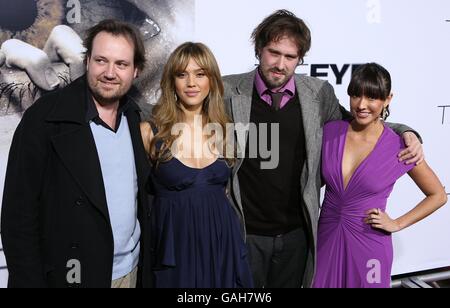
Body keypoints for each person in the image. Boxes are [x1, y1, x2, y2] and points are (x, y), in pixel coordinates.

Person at [222, 10, 424, 288]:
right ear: (259, 50)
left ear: (300, 59)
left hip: (298, 233)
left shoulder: (317, 93)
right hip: (244, 232)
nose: (280, 64)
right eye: (274, 52)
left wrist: (406, 131)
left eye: (290, 57)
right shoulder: (226, 90)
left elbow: (357, 122)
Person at [1, 19, 153, 288]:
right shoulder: (44, 118)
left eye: (121, 64)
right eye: (101, 60)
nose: (109, 72)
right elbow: (18, 218)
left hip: (131, 272)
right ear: (86, 62)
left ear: (136, 71)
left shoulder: (133, 116)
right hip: (73, 276)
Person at [312, 63, 447, 288]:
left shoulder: (399, 147)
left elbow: (438, 195)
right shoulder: (331, 132)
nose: (362, 105)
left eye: (372, 98)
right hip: (326, 236)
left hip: (369, 243)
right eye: (356, 95)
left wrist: (397, 223)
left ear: (387, 99)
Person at [140, 42, 253, 288]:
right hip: (174, 246)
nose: (191, 83)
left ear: (211, 80)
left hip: (222, 242)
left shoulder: (226, 130)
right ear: (172, 82)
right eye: (182, 74)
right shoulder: (150, 132)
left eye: (200, 74)